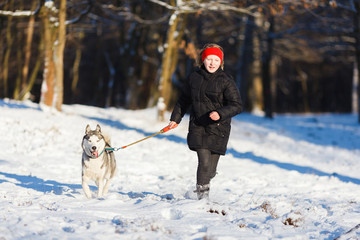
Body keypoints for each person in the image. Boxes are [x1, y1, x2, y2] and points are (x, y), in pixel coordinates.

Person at [167, 43, 243, 200]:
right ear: (203, 60)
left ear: (220, 62)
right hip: (198, 126)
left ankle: (202, 187)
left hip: (219, 129)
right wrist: (175, 119)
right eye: (209, 59)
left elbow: (237, 105)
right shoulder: (193, 77)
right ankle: (202, 199)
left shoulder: (226, 80)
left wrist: (220, 114)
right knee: (204, 163)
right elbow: (184, 100)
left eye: (216, 60)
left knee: (211, 170)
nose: (212, 63)